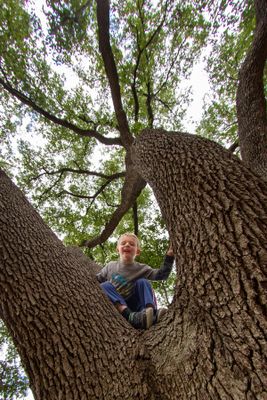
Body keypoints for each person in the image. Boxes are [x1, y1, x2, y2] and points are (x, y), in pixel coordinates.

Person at [96, 232, 174, 330]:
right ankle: (130, 316)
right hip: (121, 305)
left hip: (137, 305)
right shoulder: (110, 266)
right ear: (117, 249)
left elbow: (162, 275)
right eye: (123, 243)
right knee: (105, 285)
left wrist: (169, 256)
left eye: (132, 244)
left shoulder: (141, 268)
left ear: (137, 251)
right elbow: (96, 280)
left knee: (142, 281)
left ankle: (150, 313)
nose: (127, 245)